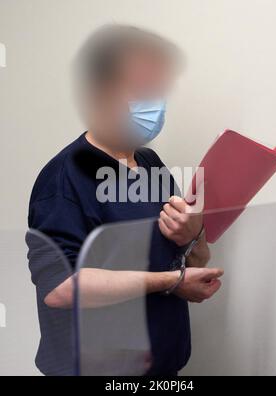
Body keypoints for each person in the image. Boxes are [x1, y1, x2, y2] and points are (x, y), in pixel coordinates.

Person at [27, 25, 223, 376]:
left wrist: (194, 235)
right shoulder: (63, 179)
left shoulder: (151, 164)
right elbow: (59, 289)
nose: (154, 104)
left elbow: (193, 255)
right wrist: (173, 282)